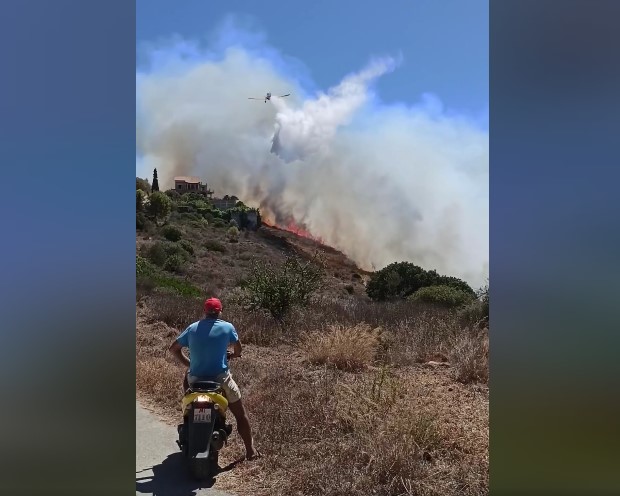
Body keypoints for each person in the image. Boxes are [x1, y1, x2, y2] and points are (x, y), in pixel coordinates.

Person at [168, 297, 260, 460]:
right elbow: (238, 349)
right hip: (221, 379)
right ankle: (250, 450)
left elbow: (173, 349)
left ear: (204, 311)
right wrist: (235, 354)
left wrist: (189, 364)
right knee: (240, 414)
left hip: (196, 379)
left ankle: (188, 408)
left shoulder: (192, 328)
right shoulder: (227, 327)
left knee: (186, 379)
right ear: (219, 312)